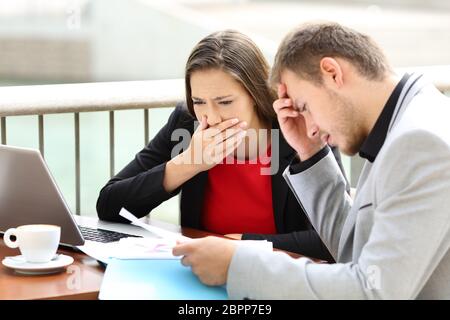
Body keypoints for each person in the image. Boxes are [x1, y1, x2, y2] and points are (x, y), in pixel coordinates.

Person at [172, 22, 450, 299]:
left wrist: (238, 265)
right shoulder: (404, 123)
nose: (311, 126)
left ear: (332, 73)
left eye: (303, 106)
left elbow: (374, 290)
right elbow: (349, 248)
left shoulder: (420, 142)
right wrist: (310, 152)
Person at [96, 30, 348, 260]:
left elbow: (336, 237)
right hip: (202, 277)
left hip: (280, 279)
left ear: (255, 93)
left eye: (225, 102)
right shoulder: (188, 123)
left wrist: (242, 245)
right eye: (199, 101)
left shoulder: (299, 127)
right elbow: (109, 205)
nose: (212, 117)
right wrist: (187, 164)